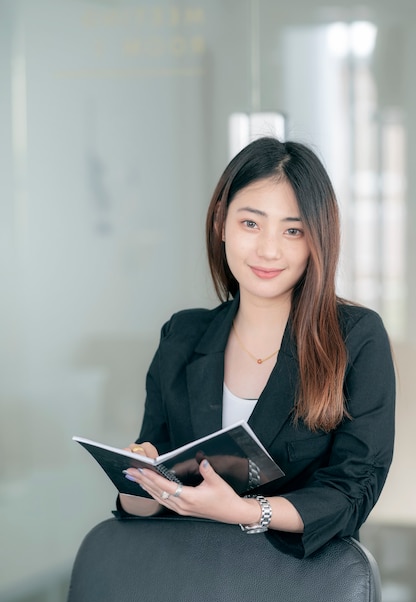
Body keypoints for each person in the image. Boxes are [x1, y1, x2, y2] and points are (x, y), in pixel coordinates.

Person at [117, 136, 395, 558]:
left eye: (293, 230)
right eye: (251, 223)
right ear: (220, 225)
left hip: (299, 586)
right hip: (187, 575)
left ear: (317, 240)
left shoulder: (356, 337)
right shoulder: (182, 335)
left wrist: (246, 510)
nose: (268, 249)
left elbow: (354, 490)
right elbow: (146, 504)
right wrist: (141, 480)